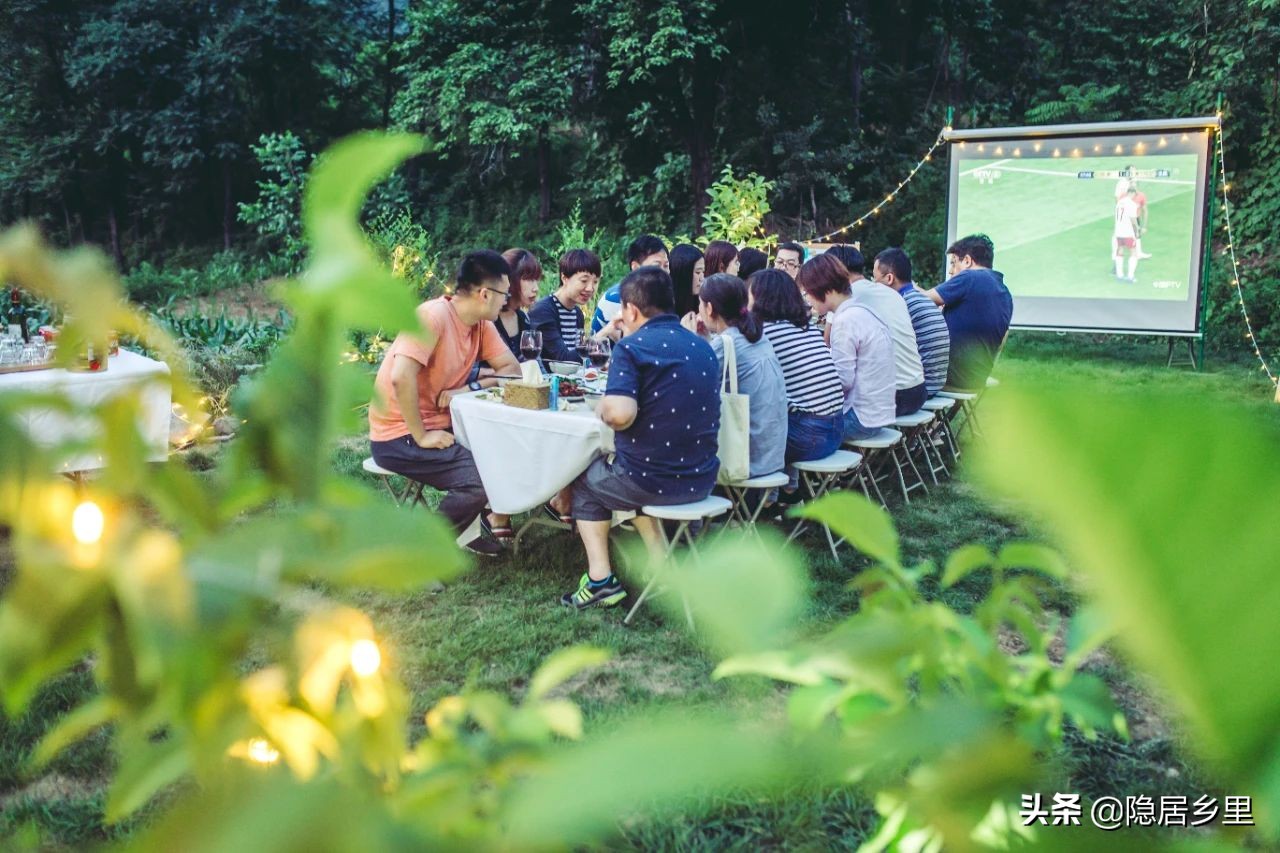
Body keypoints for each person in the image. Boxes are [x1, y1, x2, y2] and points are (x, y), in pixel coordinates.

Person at [561, 266, 721, 610]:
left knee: (586, 480)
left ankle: (601, 580)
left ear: (631, 310)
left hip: (652, 481)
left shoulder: (631, 349)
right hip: (703, 478)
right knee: (628, 464)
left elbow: (620, 415)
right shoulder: (702, 345)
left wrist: (601, 405)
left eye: (623, 310)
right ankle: (660, 567)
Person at [368, 250, 519, 556]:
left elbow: (512, 371)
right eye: (505, 293)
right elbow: (401, 377)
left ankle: (467, 533)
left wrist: (472, 385)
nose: (507, 300)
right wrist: (422, 435)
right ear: (485, 294)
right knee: (480, 480)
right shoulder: (432, 316)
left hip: (445, 423)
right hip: (400, 434)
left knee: (503, 454)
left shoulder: (481, 325)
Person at [683, 273, 787, 479]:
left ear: (710, 309)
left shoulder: (725, 343)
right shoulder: (756, 335)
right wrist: (705, 339)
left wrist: (688, 339)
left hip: (745, 457)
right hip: (772, 453)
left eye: (701, 304)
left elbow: (687, 384)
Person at [748, 269, 844, 467]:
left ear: (760, 298)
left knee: (741, 431)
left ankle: (754, 495)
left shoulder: (765, 332)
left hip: (807, 438)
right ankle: (789, 490)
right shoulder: (807, 327)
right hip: (836, 429)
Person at [797, 254, 895, 442]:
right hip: (880, 415)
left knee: (793, 430)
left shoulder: (845, 320)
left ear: (823, 288)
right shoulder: (865, 310)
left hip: (858, 418)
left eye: (807, 292)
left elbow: (842, 381)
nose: (807, 299)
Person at [836, 245, 927, 415]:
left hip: (891, 398)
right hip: (918, 391)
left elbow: (829, 343)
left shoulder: (847, 295)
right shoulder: (894, 295)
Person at [924, 234, 1013, 391]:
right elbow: (1003, 337)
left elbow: (921, 300)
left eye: (953, 263)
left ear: (967, 261)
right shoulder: (1005, 293)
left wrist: (905, 285)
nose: (950, 271)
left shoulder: (970, 277)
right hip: (976, 379)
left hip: (948, 378)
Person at [873, 247, 950, 397]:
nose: (874, 286)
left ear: (889, 279)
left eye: (875, 280)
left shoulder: (900, 304)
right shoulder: (921, 299)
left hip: (918, 387)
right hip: (935, 382)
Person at [528, 249, 600, 363]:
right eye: (584, 281)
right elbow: (564, 360)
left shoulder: (577, 314)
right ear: (564, 278)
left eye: (595, 282)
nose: (590, 288)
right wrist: (603, 334)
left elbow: (579, 358)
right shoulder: (543, 311)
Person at [590, 235, 669, 334]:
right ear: (635, 267)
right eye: (656, 266)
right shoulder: (616, 298)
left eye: (666, 266)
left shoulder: (664, 296)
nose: (663, 272)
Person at [494, 247, 542, 359]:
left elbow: (535, 364)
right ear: (510, 280)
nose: (536, 288)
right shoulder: (487, 319)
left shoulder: (523, 318)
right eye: (529, 280)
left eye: (536, 280)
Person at [1112, 187, 1142, 283]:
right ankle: (1130, 277)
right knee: (1133, 253)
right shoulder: (1132, 204)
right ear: (1132, 193)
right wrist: (1137, 229)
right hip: (1128, 232)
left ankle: (1119, 276)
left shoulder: (1119, 203)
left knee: (1119, 250)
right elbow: (1133, 219)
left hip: (1118, 231)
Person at [670, 243, 706, 319]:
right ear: (683, 273)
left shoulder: (703, 301)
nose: (702, 278)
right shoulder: (667, 307)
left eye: (703, 272)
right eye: (698, 272)